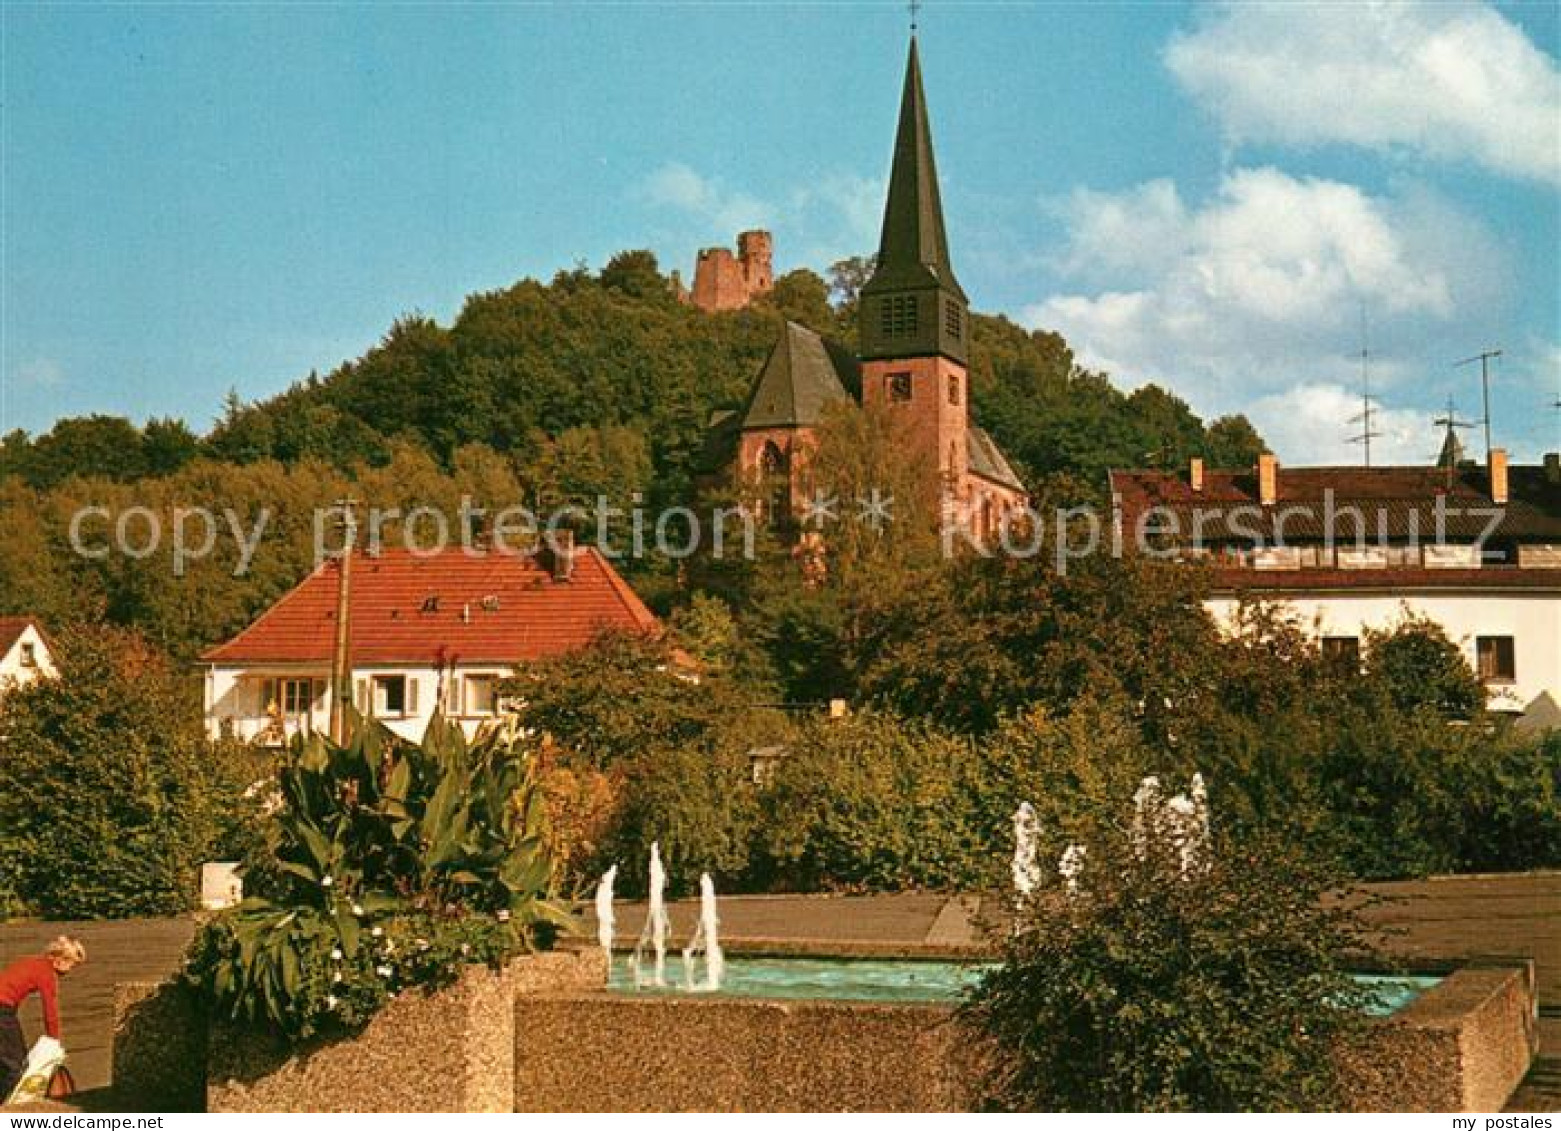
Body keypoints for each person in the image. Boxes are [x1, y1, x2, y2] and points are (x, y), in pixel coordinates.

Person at [0, 936, 86, 1102]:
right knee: (15, 1065)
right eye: (72, 965)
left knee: (5, 1059)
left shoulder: (33, 962)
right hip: (3, 1011)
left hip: (5, 1010)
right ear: (60, 960)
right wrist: (55, 1042)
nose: (69, 971)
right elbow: (50, 1011)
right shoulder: (47, 974)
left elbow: (10, 986)